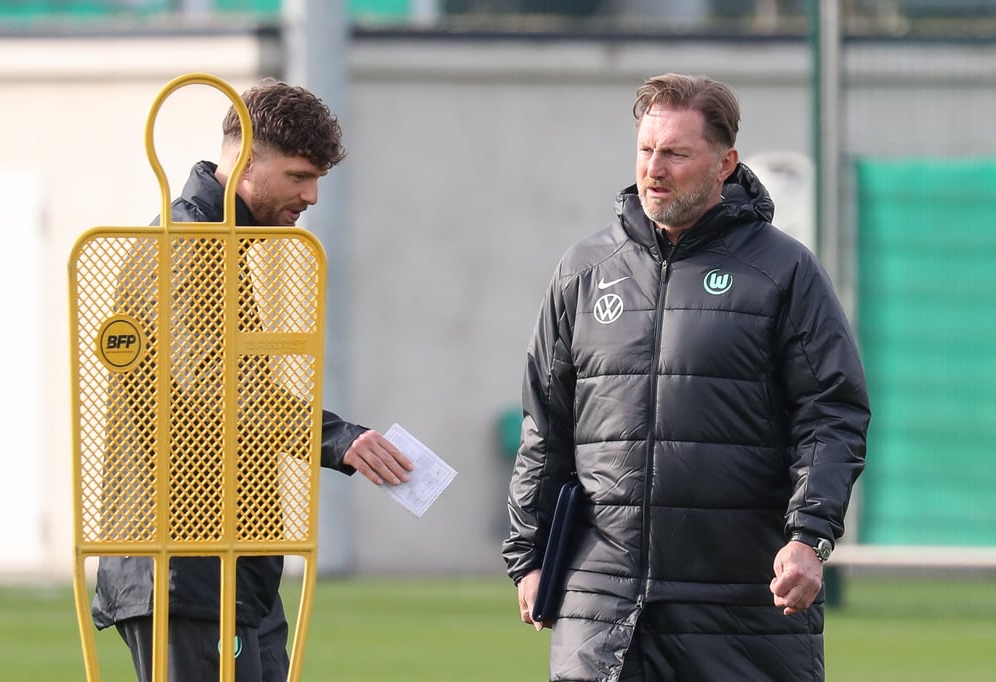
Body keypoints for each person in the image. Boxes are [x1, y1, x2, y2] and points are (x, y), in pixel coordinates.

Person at [502, 73, 870, 681]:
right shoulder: (584, 270)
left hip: (742, 600)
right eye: (646, 150)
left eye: (675, 153)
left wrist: (809, 537)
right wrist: (528, 555)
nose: (655, 168)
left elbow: (832, 415)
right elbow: (546, 425)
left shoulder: (785, 271)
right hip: (602, 600)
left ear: (725, 163)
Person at [90, 79, 414, 682]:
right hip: (182, 558)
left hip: (230, 557)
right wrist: (340, 439)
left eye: (318, 178)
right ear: (242, 162)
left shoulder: (225, 242)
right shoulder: (190, 245)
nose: (313, 196)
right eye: (298, 176)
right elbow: (220, 390)